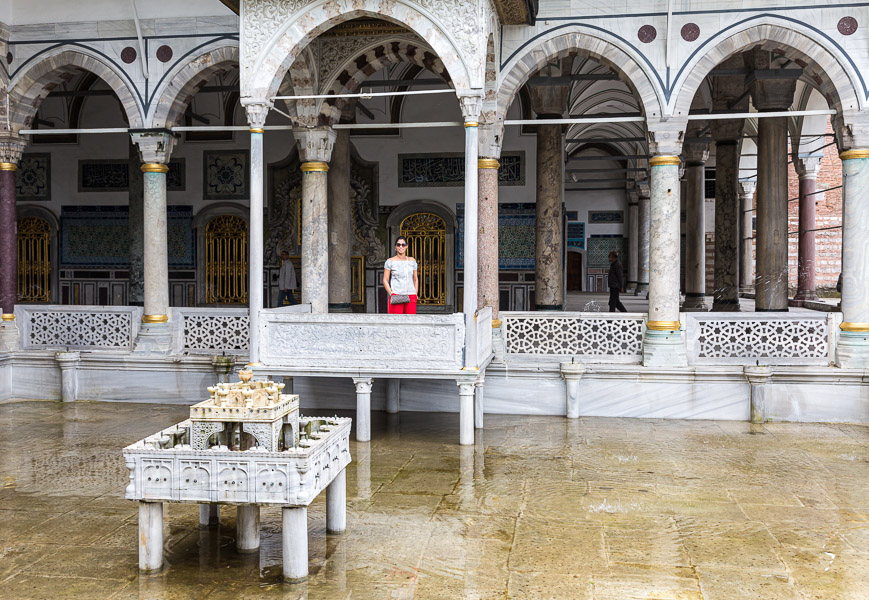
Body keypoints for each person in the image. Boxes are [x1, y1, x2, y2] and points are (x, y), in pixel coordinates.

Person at [383, 236, 419, 314]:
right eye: (398, 245)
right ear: (395, 247)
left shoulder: (412, 261)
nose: (401, 247)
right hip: (396, 295)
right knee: (395, 322)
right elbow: (385, 280)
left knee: (411, 322)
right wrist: (391, 293)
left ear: (407, 246)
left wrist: (415, 294)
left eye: (403, 244)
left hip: (411, 295)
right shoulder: (390, 261)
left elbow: (415, 279)